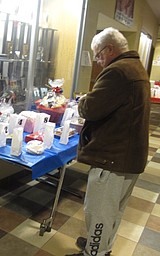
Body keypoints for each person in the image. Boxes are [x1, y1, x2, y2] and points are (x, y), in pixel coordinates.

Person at [66, 27, 150, 256]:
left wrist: (82, 100)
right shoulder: (136, 67)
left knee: (99, 212)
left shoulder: (118, 72)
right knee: (114, 211)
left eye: (99, 55)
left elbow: (91, 108)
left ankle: (93, 253)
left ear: (110, 49)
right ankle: (103, 248)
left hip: (112, 157)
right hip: (130, 156)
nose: (99, 61)